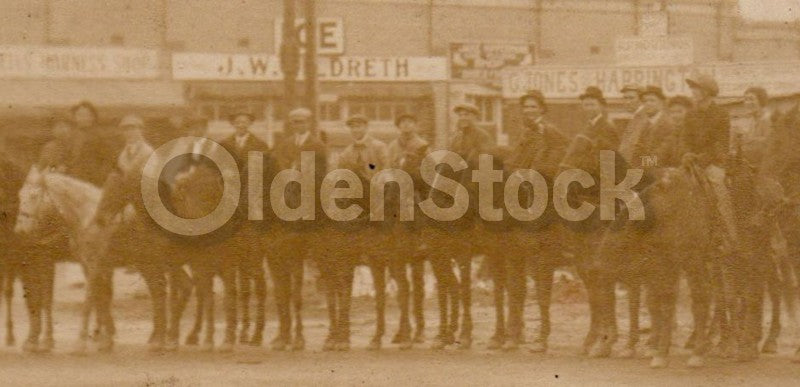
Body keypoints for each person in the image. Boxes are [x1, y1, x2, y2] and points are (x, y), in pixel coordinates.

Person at [266, 107, 327, 351]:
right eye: (293, 121)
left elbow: (320, 176)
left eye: (301, 121)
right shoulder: (283, 144)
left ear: (309, 122)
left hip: (307, 207)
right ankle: (284, 331)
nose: (297, 125)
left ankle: (299, 331)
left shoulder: (318, 146)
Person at [219, 110, 273, 346]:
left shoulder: (260, 146)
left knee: (255, 273)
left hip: (252, 215)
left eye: (245, 122)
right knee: (231, 275)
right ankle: (234, 327)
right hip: (229, 217)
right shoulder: (223, 146)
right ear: (233, 124)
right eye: (237, 122)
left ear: (250, 124)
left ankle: (257, 326)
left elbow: (267, 179)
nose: (241, 125)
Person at [385, 113, 429, 345]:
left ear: (415, 125)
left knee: (417, 276)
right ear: (398, 126)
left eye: (410, 122)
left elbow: (428, 178)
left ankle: (420, 326)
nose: (406, 126)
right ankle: (404, 325)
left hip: (416, 202)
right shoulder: (392, 147)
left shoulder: (423, 146)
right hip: (396, 203)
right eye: (402, 122)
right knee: (399, 275)